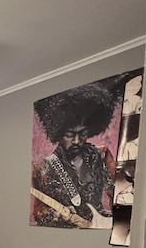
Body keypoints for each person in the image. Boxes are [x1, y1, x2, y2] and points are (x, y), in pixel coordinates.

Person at [31, 83, 116, 229]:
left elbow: (116, 191)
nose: (76, 141)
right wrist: (58, 216)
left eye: (82, 134)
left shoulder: (102, 155)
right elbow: (38, 212)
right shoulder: (42, 169)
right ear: (58, 133)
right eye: (70, 134)